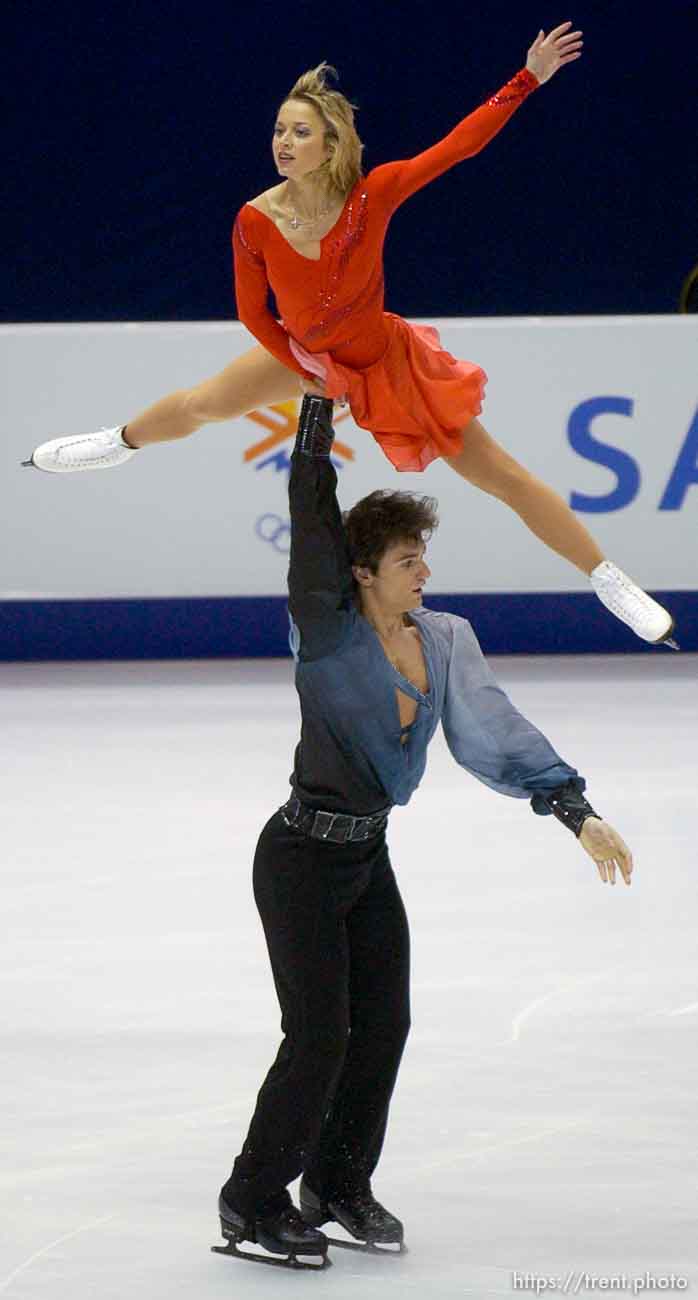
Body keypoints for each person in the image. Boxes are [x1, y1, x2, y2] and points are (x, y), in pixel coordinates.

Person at [23, 24, 675, 648]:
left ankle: (609, 580)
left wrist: (527, 79)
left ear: (331, 146)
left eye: (300, 132)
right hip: (305, 354)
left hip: (386, 364)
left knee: (501, 476)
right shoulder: (254, 219)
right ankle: (117, 442)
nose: (283, 141)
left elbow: (457, 146)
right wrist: (306, 371)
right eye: (279, 129)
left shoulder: (373, 196)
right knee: (204, 403)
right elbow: (255, 315)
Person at [210, 393, 634, 1270]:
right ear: (361, 571)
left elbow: (492, 729)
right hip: (298, 857)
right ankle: (252, 1200)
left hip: (366, 854)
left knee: (385, 1025)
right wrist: (317, 420)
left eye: (424, 559)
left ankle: (337, 1184)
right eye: (407, 560)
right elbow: (313, 525)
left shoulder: (443, 640)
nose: (424, 574)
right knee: (320, 1033)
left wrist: (573, 810)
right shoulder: (324, 633)